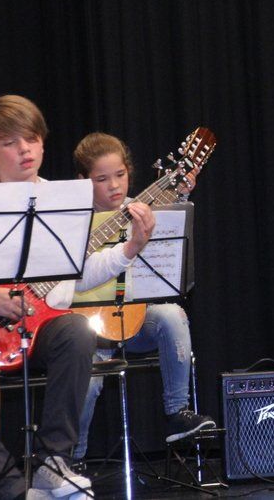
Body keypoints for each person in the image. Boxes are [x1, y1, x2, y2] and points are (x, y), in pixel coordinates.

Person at [0, 95, 156, 500]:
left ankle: (53, 463)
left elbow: (78, 274)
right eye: (10, 143)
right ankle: (6, 484)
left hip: (41, 326)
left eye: (32, 139)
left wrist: (130, 249)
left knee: (77, 331)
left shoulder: (64, 198)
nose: (25, 150)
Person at [71, 132, 214, 463]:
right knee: (89, 383)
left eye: (120, 175)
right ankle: (71, 458)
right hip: (86, 332)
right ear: (82, 181)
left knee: (172, 315)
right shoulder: (71, 220)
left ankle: (177, 412)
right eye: (102, 179)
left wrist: (179, 194)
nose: (114, 186)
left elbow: (168, 241)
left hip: (133, 321)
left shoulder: (138, 209)